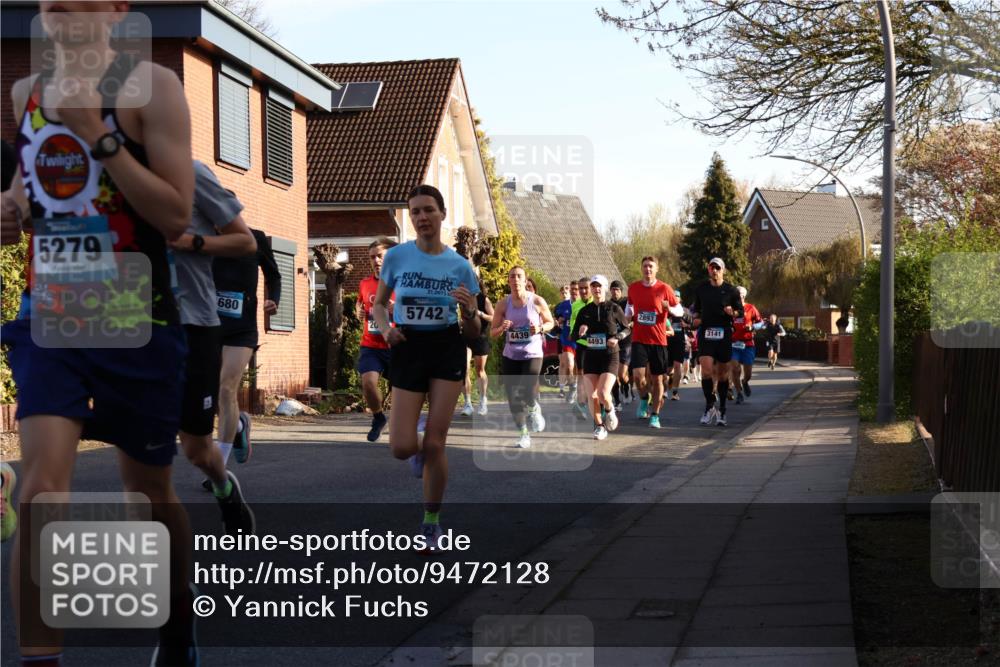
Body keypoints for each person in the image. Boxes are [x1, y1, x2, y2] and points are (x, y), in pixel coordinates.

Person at [0, 3, 197, 663]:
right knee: (41, 487)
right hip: (51, 311)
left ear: (117, 10)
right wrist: (14, 208)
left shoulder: (155, 89)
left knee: (147, 492)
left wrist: (101, 136)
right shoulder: (27, 92)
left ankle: (175, 628)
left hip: (137, 315)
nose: (58, 6)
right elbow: (40, 190)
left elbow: (176, 215)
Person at [371, 184, 480, 552]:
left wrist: (468, 311)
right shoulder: (396, 258)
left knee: (436, 443)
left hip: (447, 346)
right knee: (402, 447)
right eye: (415, 211)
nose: (421, 217)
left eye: (428, 210)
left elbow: (474, 331)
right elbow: (380, 305)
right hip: (409, 346)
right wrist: (386, 330)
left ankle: (431, 523)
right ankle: (418, 445)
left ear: (442, 214)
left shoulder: (461, 266)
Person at [171, 161, 257, 532]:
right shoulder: (100, 173)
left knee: (194, 449)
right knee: (142, 448)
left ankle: (223, 485)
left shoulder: (190, 173)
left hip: (197, 322)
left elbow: (247, 243)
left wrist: (192, 242)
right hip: (131, 323)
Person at [213, 227, 281, 465]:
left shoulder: (255, 238)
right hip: (208, 327)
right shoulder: (202, 238)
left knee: (226, 388)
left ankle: (218, 465)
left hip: (242, 329)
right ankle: (240, 425)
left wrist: (274, 299)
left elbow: (274, 274)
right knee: (214, 394)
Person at [491, 266, 554, 448]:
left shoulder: (536, 301)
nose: (516, 279)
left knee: (527, 389)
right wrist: (502, 327)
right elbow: (493, 332)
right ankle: (523, 433)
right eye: (512, 276)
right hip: (511, 354)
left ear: (525, 280)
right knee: (512, 397)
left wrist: (540, 328)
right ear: (508, 280)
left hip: (533, 352)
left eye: (519, 276)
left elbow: (550, 322)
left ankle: (534, 408)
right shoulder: (503, 304)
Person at [571, 275, 630, 440]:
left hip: (610, 355)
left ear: (604, 288)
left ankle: (610, 410)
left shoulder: (614, 308)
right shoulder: (585, 311)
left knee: (604, 393)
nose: (596, 289)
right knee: (592, 395)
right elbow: (573, 336)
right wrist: (580, 332)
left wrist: (616, 338)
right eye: (593, 286)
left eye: (599, 286)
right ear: (591, 289)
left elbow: (627, 329)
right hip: (591, 355)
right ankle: (599, 426)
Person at [627, 256, 683, 429]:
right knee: (637, 376)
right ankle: (644, 398)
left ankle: (655, 415)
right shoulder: (633, 288)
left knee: (658, 380)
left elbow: (679, 310)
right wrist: (628, 315)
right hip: (639, 339)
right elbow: (629, 307)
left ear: (656, 269)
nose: (648, 269)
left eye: (651, 266)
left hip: (658, 341)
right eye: (645, 266)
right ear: (641, 268)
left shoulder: (664, 288)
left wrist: (669, 308)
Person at [691, 258, 744, 427]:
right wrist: (695, 319)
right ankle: (709, 406)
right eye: (712, 268)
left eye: (718, 268)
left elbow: (740, 312)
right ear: (708, 269)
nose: (715, 271)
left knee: (722, 374)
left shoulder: (731, 290)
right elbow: (697, 311)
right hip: (706, 332)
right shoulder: (701, 289)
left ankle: (722, 409)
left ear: (723, 271)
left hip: (724, 333)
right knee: (706, 370)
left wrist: (732, 312)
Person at [357, 238, 397, 441]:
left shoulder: (401, 282)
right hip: (371, 345)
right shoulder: (364, 284)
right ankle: (379, 417)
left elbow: (413, 312)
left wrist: (396, 310)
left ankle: (402, 424)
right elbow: (361, 306)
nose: (376, 260)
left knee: (401, 390)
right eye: (372, 257)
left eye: (380, 256)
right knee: (369, 383)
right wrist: (360, 313)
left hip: (396, 345)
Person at [461, 275, 493, 417]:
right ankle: (467, 403)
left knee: (480, 370)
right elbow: (465, 318)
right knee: (465, 368)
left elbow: (493, 317)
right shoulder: (463, 300)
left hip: (481, 337)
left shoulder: (483, 299)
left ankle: (483, 401)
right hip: (466, 337)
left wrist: (480, 313)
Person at [729, 286, 763, 404]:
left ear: (744, 296)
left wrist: (752, 327)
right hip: (733, 344)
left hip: (748, 343)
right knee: (735, 369)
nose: (739, 297)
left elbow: (761, 323)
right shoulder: (730, 309)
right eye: (736, 294)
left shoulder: (750, 308)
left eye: (740, 295)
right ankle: (739, 393)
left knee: (748, 373)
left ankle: (745, 382)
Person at [570, 277, 592, 419]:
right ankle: (581, 404)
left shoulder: (597, 303)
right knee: (582, 375)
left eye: (586, 288)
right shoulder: (576, 305)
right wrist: (575, 334)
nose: (583, 291)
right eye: (581, 288)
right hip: (582, 346)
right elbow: (573, 323)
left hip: (597, 346)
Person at [609, 280, 632, 411]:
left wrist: (632, 322)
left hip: (626, 341)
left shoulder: (626, 302)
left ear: (621, 291)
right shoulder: (608, 304)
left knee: (622, 373)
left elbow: (633, 314)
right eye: (613, 289)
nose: (615, 291)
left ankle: (627, 386)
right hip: (612, 341)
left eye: (617, 289)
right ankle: (617, 401)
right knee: (613, 374)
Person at [667, 289, 694, 401]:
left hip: (680, 342)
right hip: (667, 341)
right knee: (668, 369)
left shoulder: (685, 311)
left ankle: (675, 391)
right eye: (673, 296)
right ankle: (666, 385)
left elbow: (693, 325)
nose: (675, 298)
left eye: (677, 296)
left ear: (680, 298)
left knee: (678, 365)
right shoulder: (667, 310)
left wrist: (686, 325)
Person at [553, 283, 577, 400]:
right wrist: (559, 321)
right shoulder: (561, 306)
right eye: (562, 292)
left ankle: (577, 386)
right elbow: (556, 321)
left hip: (581, 340)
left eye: (567, 291)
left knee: (579, 367)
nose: (565, 293)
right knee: (568, 364)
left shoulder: (583, 304)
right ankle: (567, 388)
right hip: (566, 338)